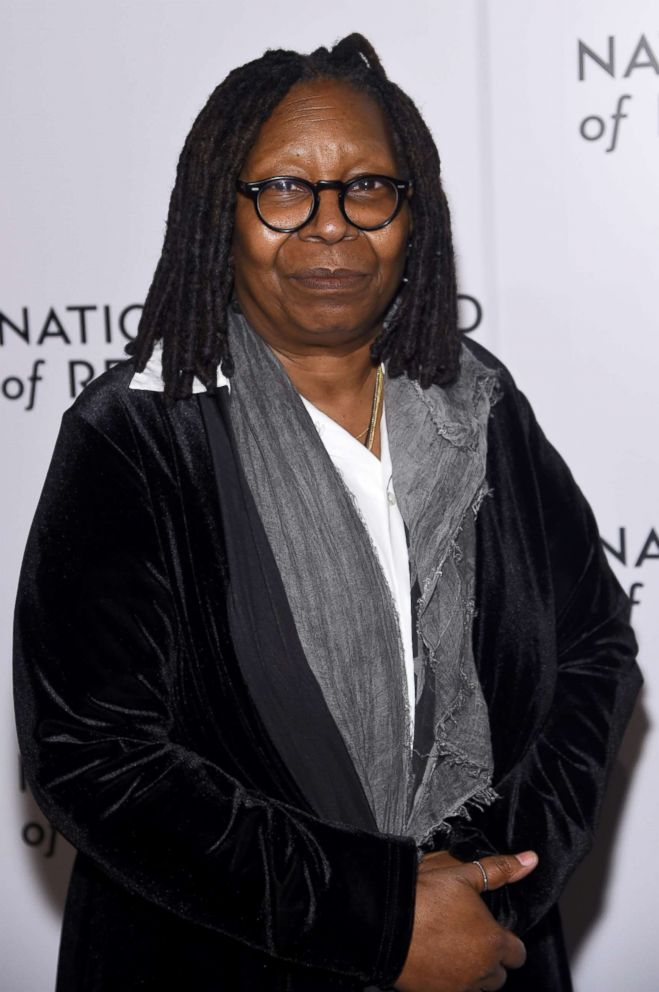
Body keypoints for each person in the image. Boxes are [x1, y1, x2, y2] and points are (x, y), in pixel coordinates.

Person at [13, 32, 641, 992]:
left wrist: (485, 891)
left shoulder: (480, 407)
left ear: (409, 213)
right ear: (216, 213)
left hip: (484, 955)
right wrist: (382, 919)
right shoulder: (136, 437)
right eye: (281, 190)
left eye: (367, 188)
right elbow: (95, 756)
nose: (330, 225)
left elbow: (592, 648)